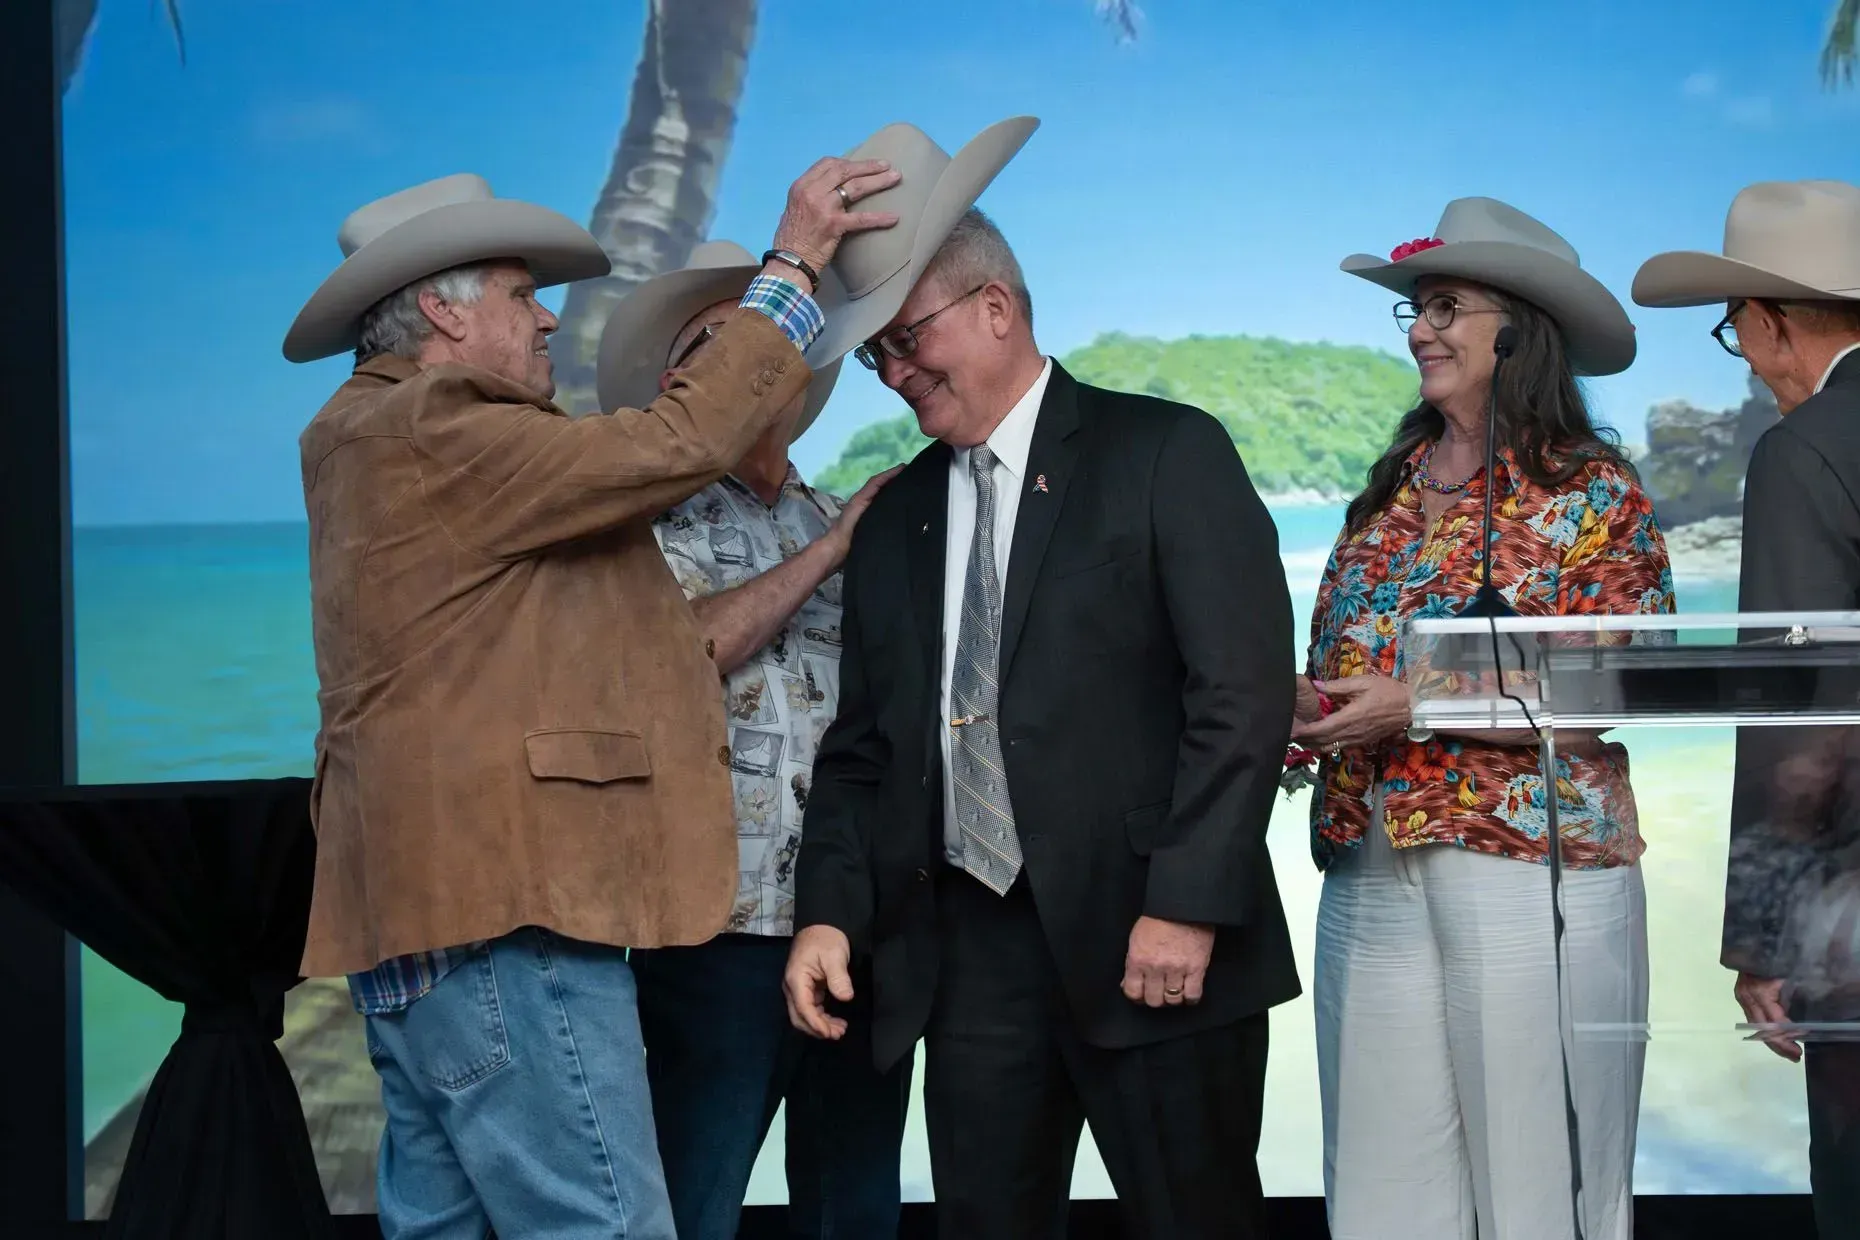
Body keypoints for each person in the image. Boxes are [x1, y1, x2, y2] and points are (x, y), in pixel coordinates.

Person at [283, 160, 898, 1240]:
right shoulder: (434, 423)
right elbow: (678, 442)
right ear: (441, 306)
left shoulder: (365, 436)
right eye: (523, 294)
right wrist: (793, 258)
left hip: (426, 930)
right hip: (502, 924)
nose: (548, 317)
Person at [783, 116, 1301, 1240]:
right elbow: (866, 746)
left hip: (1158, 947)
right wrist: (827, 913)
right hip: (967, 964)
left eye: (909, 339)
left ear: (997, 310)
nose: (895, 372)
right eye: (878, 356)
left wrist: (1185, 903)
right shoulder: (897, 515)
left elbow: (1244, 693)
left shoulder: (1167, 451)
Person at [1291, 198, 1674, 1240]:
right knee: (1378, 1193)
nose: (1421, 329)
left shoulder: (1593, 494)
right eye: (1415, 308)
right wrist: (1292, 709)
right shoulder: (1382, 501)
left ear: (1519, 329)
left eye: (1447, 306)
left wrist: (1415, 705)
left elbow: (1612, 679)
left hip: (1530, 865)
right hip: (1370, 861)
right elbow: (1337, 665)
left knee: (1540, 1188)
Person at [593, 240, 909, 1240]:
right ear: (681, 382)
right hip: (712, 937)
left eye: (762, 339)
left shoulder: (836, 513)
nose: (743, 358)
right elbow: (680, 656)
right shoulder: (641, 526)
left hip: (853, 924)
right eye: (711, 345)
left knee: (853, 1207)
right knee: (693, 1205)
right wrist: (830, 556)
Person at [1634, 178, 1860, 1239]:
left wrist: (1761, 934)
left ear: (1770, 320)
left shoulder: (1808, 447)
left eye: (1733, 332)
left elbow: (1797, 711)